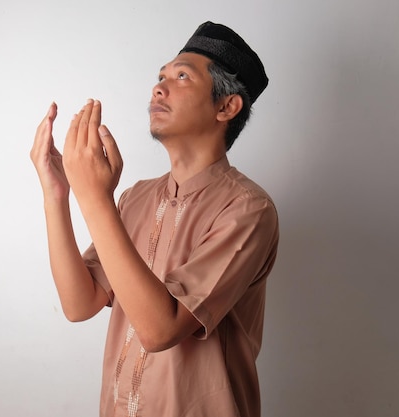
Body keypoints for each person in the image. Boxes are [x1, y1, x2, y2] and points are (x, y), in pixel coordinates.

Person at [30, 21, 279, 417]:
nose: (158, 88)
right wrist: (58, 194)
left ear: (226, 106)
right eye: (160, 76)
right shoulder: (136, 197)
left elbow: (161, 330)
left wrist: (95, 199)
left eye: (182, 76)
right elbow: (80, 304)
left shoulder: (248, 209)